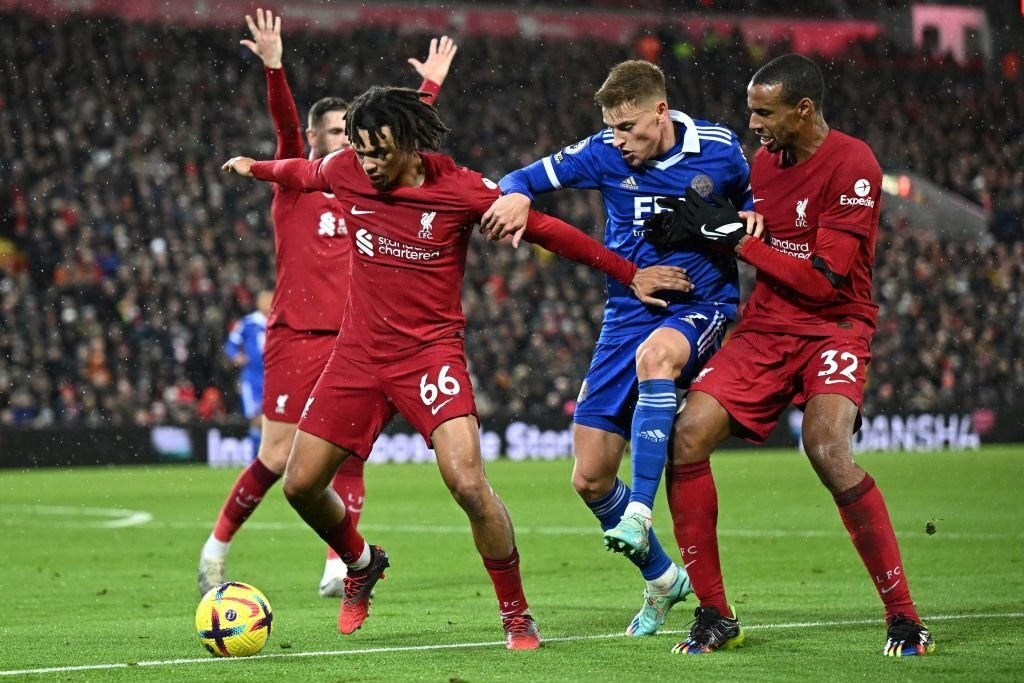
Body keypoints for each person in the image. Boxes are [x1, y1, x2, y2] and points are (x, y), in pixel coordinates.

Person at [222, 85, 692, 649]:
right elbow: (302, 172)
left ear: (409, 145)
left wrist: (629, 273)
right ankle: (361, 562)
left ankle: (516, 615)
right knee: (299, 485)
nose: (367, 164)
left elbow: (549, 231)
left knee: (468, 483)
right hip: (358, 356)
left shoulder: (461, 189)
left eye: (378, 153)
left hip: (429, 356)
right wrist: (256, 167)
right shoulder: (346, 169)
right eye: (360, 152)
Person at [657, 53, 935, 656]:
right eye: (751, 110)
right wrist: (704, 234)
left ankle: (904, 616)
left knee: (827, 448)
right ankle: (715, 613)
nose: (753, 123)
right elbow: (760, 241)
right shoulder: (764, 163)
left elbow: (824, 280)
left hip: (835, 325)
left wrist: (735, 238)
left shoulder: (853, 164)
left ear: (803, 110)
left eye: (764, 112)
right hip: (766, 327)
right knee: (687, 435)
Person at [480, 59, 758, 636]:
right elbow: (520, 178)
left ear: (661, 111)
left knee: (657, 358)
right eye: (611, 127)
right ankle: (662, 578)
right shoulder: (601, 152)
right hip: (626, 314)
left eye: (628, 127)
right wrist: (517, 197)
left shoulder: (719, 148)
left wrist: (752, 218)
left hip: (700, 305)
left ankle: (641, 511)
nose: (619, 139)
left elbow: (756, 205)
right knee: (589, 476)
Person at [197, 7, 459, 601]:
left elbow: (396, 139)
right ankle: (216, 547)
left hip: (352, 340)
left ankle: (339, 566)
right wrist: (274, 67)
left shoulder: (363, 183)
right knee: (276, 456)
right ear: (315, 138)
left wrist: (430, 86)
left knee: (351, 455)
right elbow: (285, 128)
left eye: (351, 134)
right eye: (337, 133)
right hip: (295, 336)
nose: (348, 142)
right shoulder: (295, 185)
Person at [223, 289, 272, 458]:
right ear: (258, 303)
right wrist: (236, 356)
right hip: (253, 379)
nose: (269, 303)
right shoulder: (248, 323)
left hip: (274, 378)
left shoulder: (278, 322)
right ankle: (256, 459)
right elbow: (231, 344)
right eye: (265, 300)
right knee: (256, 419)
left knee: (271, 420)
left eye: (271, 300)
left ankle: (263, 459)